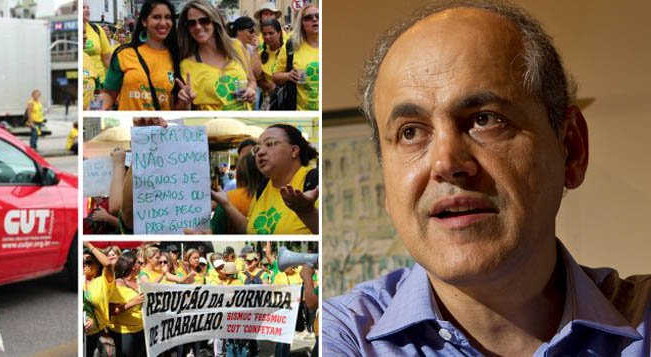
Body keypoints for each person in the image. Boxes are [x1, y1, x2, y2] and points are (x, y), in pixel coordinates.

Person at [322, 1, 651, 355]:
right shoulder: (343, 337)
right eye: (411, 132)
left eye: (485, 120)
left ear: (571, 149)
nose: (446, 163)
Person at [210, 124, 320, 234]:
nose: (260, 152)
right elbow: (250, 230)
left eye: (270, 144)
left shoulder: (316, 181)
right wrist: (226, 204)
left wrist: (308, 212)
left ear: (294, 150)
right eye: (257, 148)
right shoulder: (263, 187)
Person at [100, 0, 182, 110]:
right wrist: (92, 109)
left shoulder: (177, 57)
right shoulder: (123, 54)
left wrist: (184, 101)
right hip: (129, 125)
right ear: (144, 21)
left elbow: (175, 106)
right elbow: (108, 94)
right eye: (156, 17)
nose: (163, 23)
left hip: (160, 126)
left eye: (167, 17)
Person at [175, 0, 257, 111]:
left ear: (214, 21)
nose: (198, 27)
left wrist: (251, 90)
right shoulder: (187, 65)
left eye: (204, 21)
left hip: (244, 122)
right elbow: (182, 109)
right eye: (192, 23)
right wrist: (184, 100)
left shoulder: (236, 46)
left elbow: (251, 81)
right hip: (213, 125)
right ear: (187, 28)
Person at [274, 3, 319, 111]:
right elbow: (276, 76)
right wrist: (289, 75)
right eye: (308, 17)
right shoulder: (291, 45)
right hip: (299, 108)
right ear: (301, 23)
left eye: (318, 16)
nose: (314, 19)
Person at [109, 251, 146, 357]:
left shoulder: (139, 281)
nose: (141, 265)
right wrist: (133, 302)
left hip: (141, 329)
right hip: (124, 332)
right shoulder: (118, 284)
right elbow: (113, 311)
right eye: (139, 262)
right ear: (132, 266)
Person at [83, 242, 115, 357]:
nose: (84, 265)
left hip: (97, 334)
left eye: (88, 262)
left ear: (97, 265)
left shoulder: (103, 281)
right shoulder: (80, 281)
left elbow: (108, 264)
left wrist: (89, 245)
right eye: (82, 262)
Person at [83, 2, 113, 105]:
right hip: (84, 81)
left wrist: (116, 78)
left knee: (97, 110)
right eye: (83, 8)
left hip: (100, 82)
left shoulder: (97, 29)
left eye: (88, 8)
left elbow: (107, 58)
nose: (87, 10)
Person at [258, 20, 284, 109]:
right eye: (264, 34)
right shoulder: (261, 54)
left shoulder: (287, 52)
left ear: (279, 33)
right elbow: (257, 78)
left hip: (285, 98)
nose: (267, 37)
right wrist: (269, 85)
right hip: (267, 99)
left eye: (271, 33)